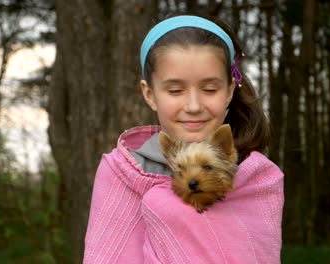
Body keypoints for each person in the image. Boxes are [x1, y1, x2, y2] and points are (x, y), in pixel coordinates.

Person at [83, 15, 284, 264]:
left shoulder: (258, 179)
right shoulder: (122, 172)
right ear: (149, 93)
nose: (193, 105)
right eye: (175, 90)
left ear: (230, 90)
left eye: (209, 89)